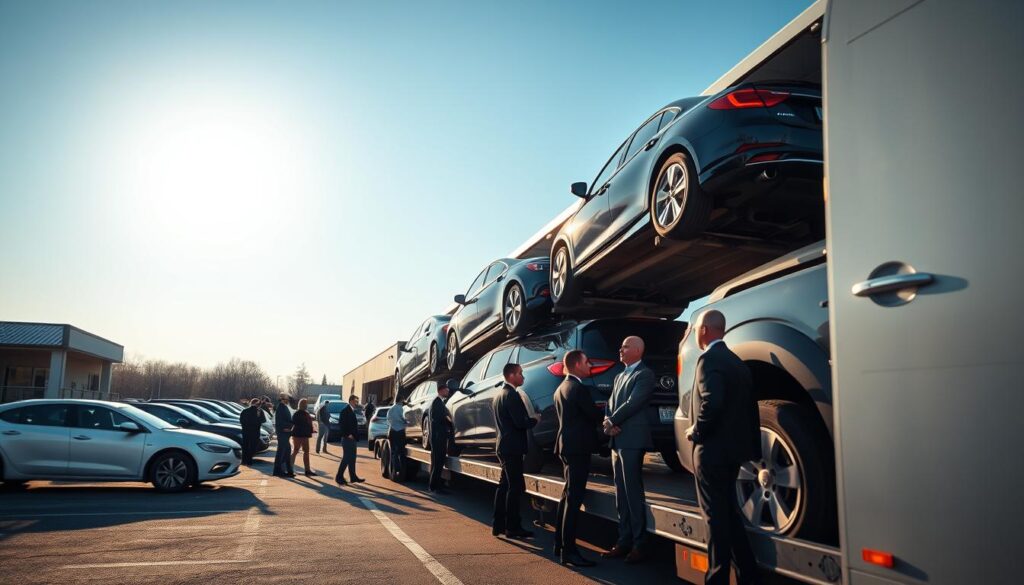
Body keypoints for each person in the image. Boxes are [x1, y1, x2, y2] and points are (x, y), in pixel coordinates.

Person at [684, 310, 761, 585]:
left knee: (714, 519)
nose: (694, 333)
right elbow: (749, 411)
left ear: (704, 329)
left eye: (695, 329)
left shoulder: (708, 360)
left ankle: (716, 579)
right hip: (733, 453)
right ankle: (748, 575)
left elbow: (712, 403)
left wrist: (696, 430)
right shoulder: (737, 362)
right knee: (730, 513)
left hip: (711, 451)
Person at [601, 335, 655, 564]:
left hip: (632, 440)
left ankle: (639, 544)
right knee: (620, 495)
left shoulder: (645, 374)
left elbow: (634, 403)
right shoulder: (619, 375)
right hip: (618, 440)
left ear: (637, 350)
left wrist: (612, 421)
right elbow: (610, 403)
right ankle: (623, 542)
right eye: (621, 346)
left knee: (633, 494)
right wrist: (607, 421)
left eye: (624, 346)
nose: (620, 349)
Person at [553, 350, 604, 567]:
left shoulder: (561, 388)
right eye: (586, 362)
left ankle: (559, 544)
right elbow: (593, 415)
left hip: (566, 446)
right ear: (575, 365)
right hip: (578, 448)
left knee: (567, 496)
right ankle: (569, 552)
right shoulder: (578, 388)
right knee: (574, 500)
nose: (590, 365)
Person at [491, 363, 537, 539]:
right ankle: (513, 527)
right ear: (511, 376)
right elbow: (521, 422)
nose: (523, 377)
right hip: (513, 448)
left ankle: (498, 525)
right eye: (520, 373)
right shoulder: (512, 395)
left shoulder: (499, 395)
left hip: (504, 446)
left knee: (504, 486)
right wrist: (534, 420)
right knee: (515, 487)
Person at [427, 379, 456, 494]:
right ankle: (434, 487)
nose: (448, 391)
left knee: (437, 463)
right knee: (438, 463)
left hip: (437, 437)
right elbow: (439, 419)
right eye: (446, 390)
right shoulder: (437, 403)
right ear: (441, 390)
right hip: (438, 438)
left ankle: (434, 486)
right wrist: (449, 423)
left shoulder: (438, 402)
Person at [335, 394, 365, 485]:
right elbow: (342, 425)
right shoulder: (345, 411)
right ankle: (339, 477)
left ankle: (353, 477)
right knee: (346, 458)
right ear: (351, 401)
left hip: (352, 439)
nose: (357, 403)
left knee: (352, 458)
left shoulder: (352, 411)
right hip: (347, 439)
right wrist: (348, 435)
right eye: (356, 401)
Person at [290, 398, 315, 477]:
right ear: (302, 405)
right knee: (296, 450)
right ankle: (290, 469)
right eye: (305, 404)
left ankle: (307, 470)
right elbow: (293, 423)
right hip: (298, 435)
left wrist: (310, 431)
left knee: (306, 451)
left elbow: (309, 424)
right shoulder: (297, 413)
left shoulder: (306, 413)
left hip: (305, 435)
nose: (306, 405)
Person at [239, 398, 267, 465]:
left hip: (245, 431)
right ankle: (249, 460)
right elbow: (264, 420)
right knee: (253, 446)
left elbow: (241, 421)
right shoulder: (259, 412)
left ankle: (244, 460)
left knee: (245, 446)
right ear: (258, 405)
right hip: (255, 431)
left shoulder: (244, 411)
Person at [273, 393, 295, 478]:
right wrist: (287, 427)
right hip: (282, 433)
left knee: (286, 452)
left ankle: (288, 471)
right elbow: (280, 422)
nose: (288, 400)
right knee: (281, 453)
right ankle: (278, 471)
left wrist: (292, 424)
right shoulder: (280, 408)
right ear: (282, 399)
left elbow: (287, 419)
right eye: (286, 399)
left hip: (286, 433)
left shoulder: (284, 407)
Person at [386, 398, 407, 479]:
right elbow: (404, 418)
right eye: (402, 401)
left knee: (394, 452)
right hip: (401, 432)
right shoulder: (401, 409)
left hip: (392, 431)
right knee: (401, 452)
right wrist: (405, 422)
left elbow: (388, 420)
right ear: (400, 401)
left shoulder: (390, 409)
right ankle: (401, 472)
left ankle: (395, 470)